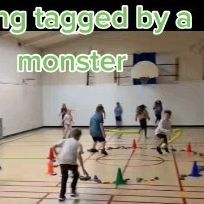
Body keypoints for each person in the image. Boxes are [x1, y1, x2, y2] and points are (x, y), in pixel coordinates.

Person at [52, 128, 88, 202]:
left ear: (71, 134)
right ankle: (73, 190)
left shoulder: (65, 140)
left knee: (64, 178)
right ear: (79, 136)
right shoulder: (78, 144)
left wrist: (57, 155)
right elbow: (79, 156)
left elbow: (53, 147)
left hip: (62, 161)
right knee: (76, 175)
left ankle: (61, 196)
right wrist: (83, 169)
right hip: (71, 162)